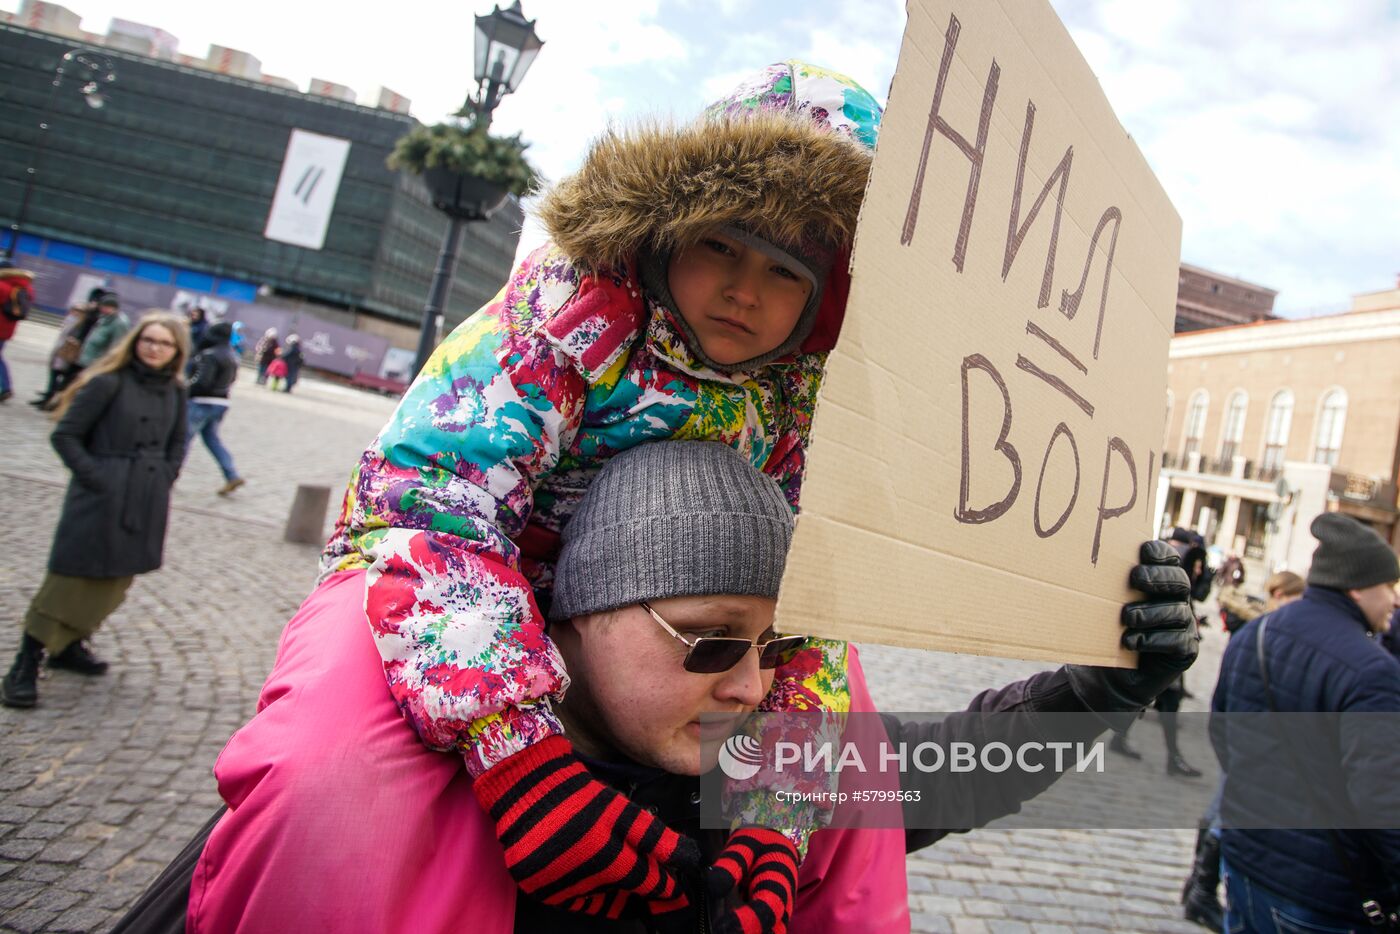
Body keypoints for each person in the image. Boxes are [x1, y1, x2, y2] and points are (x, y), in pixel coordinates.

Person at [112, 441, 1197, 932]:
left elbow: (943, 776)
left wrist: (1106, 685)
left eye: (781, 650)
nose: (750, 688)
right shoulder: (399, 786)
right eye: (710, 639)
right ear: (573, 619)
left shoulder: (765, 764)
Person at [312, 59, 881, 905]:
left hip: (680, 647)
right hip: (430, 588)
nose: (742, 290)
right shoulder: (566, 313)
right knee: (317, 775)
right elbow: (429, 503)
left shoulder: (804, 397)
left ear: (829, 294)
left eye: (785, 272)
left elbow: (811, 602)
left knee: (860, 797)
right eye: (722, 244)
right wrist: (517, 749)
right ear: (669, 229)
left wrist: (774, 806)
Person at [1211, 513, 1400, 932]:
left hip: (1244, 860)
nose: (1394, 599)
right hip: (1319, 891)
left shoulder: (1255, 633)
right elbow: (1384, 803)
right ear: (1358, 587)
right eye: (1390, 586)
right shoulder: (1374, 671)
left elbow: (1223, 735)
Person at [1, 312, 189, 709]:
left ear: (176, 351)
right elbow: (66, 435)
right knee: (69, 579)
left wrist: (165, 476)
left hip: (146, 496)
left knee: (115, 579)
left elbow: (178, 442)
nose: (154, 348)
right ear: (136, 342)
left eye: (163, 343)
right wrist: (98, 476)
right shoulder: (107, 383)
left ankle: (69, 643)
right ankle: (25, 662)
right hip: (99, 495)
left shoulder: (175, 391)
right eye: (148, 340)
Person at [1179, 567, 1306, 932]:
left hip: (1251, 744)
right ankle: (1201, 891)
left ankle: (1198, 887)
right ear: (1280, 595)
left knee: (1220, 810)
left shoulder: (1268, 631)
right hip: (1250, 745)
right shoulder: (1259, 632)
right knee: (1222, 814)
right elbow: (1226, 698)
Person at [1110, 526, 1209, 776]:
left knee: (1155, 698)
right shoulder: (1173, 559)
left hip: (1168, 637)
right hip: (1163, 639)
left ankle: (1160, 752)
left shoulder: (1176, 558)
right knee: (1162, 699)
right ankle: (1171, 757)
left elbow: (1195, 594)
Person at [183, 321, 244, 496]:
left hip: (202, 402)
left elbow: (203, 382)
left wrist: (186, 390)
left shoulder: (210, 354)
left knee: (183, 439)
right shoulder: (232, 355)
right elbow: (231, 380)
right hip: (221, 403)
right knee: (212, 440)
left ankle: (170, 474)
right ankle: (232, 474)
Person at [31, 287, 104, 409]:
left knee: (63, 376)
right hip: (68, 345)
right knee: (55, 371)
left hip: (77, 349)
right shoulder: (89, 313)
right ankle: (49, 396)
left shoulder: (94, 316)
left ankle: (53, 400)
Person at [0, 261, 36, 403]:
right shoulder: (26, 286)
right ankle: (6, 386)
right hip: (8, 327)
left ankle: (6, 386)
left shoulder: (3, 286)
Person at [78, 293, 130, 369]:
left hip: (95, 364)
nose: (101, 309)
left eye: (104, 306)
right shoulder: (104, 317)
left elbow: (116, 346)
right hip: (85, 360)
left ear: (112, 308)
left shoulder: (119, 323)